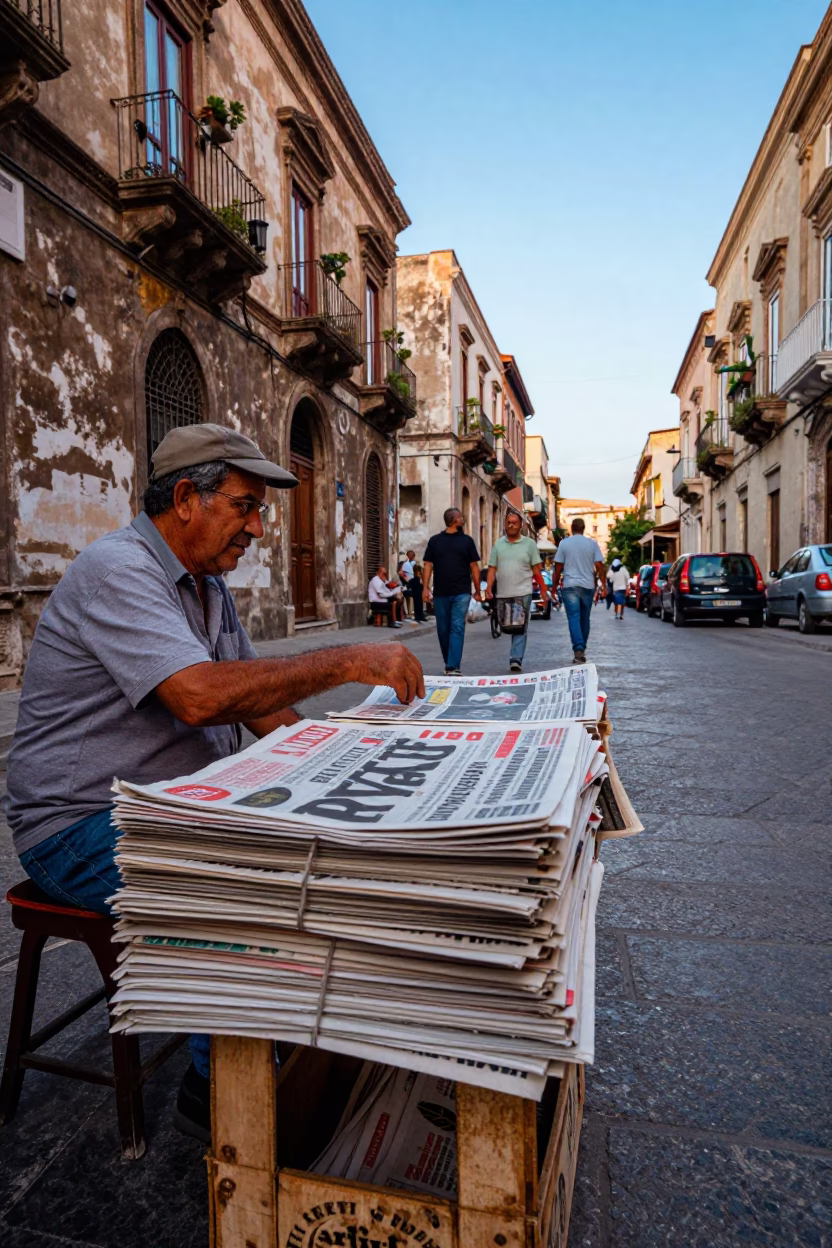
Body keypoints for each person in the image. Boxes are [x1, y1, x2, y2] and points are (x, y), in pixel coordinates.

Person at [4, 422, 425, 1144]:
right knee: (241, 888)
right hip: (76, 823)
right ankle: (221, 1087)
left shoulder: (206, 584)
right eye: (245, 507)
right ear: (186, 501)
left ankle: (287, 1034)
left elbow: (257, 703)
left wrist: (340, 754)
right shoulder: (119, 569)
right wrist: (348, 659)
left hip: (172, 805)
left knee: (319, 854)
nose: (259, 528)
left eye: (261, 511)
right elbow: (200, 696)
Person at [485, 510, 548, 673]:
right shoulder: (498, 544)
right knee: (507, 626)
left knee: (520, 626)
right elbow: (492, 568)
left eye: (514, 522)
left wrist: (543, 590)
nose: (511, 525)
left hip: (523, 592)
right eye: (508, 522)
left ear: (521, 525)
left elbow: (536, 569)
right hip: (503, 593)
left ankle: (515, 659)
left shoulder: (529, 544)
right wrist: (488, 588)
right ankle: (515, 654)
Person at [422, 508, 481, 674]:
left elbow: (474, 567)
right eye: (461, 517)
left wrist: (477, 590)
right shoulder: (435, 541)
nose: (463, 520)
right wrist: (425, 588)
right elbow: (428, 565)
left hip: (462, 592)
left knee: (457, 626)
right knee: (443, 629)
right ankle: (449, 660)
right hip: (441, 592)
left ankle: (452, 665)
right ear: (455, 520)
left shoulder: (467, 541)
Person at [551, 518, 605, 664]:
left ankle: (578, 649)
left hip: (570, 586)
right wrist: (604, 586)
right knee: (584, 618)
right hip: (588, 586)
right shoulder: (592, 543)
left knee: (574, 617)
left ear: (571, 528)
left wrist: (554, 587)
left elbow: (558, 568)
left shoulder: (564, 543)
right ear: (584, 528)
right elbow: (600, 566)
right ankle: (582, 648)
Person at [398, 549, 426, 622]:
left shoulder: (414, 564)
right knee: (417, 600)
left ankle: (420, 615)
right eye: (410, 555)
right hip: (410, 583)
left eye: (412, 556)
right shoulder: (405, 564)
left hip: (415, 582)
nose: (411, 557)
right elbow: (402, 573)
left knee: (419, 600)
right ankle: (417, 616)